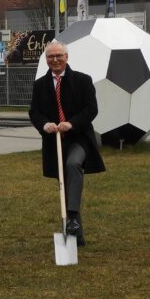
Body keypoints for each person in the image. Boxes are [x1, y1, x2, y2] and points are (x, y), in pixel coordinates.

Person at [29, 41, 105, 246]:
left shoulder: (82, 80)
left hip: (79, 138)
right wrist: (45, 125)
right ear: (46, 60)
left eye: (58, 56)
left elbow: (91, 109)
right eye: (50, 57)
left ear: (66, 57)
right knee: (66, 183)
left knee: (73, 165)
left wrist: (71, 124)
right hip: (54, 142)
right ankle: (75, 233)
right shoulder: (40, 85)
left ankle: (71, 217)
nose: (55, 60)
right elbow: (34, 112)